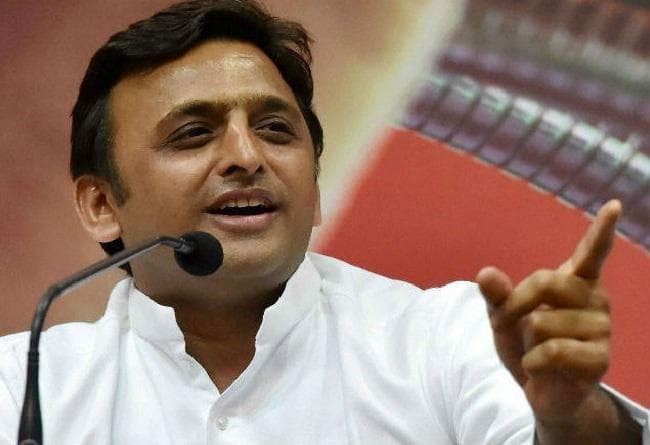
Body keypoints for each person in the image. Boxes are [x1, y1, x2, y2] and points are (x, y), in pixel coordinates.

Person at [0, 0, 648, 443]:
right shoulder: (24, 382)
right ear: (99, 204)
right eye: (193, 134)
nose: (246, 158)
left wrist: (571, 417)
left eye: (275, 130)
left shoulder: (441, 343)